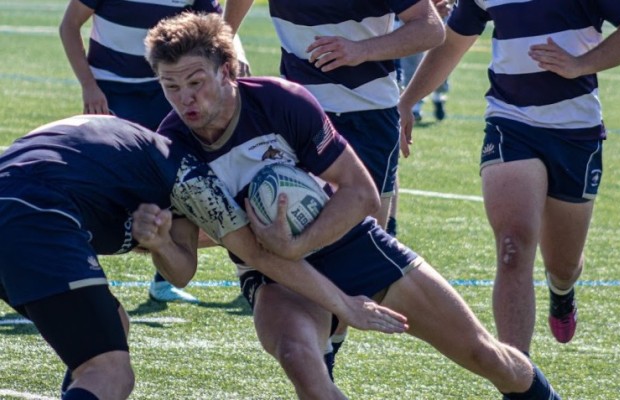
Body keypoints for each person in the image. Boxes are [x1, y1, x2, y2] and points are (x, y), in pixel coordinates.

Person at [140, 12, 563, 399]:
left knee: (485, 355)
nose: (184, 99)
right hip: (274, 274)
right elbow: (184, 268)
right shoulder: (173, 149)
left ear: (227, 71)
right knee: (304, 366)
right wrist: (160, 243)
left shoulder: (280, 102)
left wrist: (296, 242)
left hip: (350, 243)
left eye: (195, 82)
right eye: (170, 86)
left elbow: (361, 193)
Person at [0, 114, 403, 400]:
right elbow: (257, 254)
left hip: (17, 202)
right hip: (34, 215)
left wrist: (159, 244)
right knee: (109, 372)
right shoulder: (187, 172)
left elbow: (180, 271)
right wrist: (345, 306)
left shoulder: (127, 152)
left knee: (113, 324)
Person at [398, 0, 620, 354]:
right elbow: (454, 41)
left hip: (575, 132)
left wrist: (581, 64)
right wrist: (407, 101)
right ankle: (518, 380)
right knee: (512, 247)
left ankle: (562, 291)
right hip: (510, 122)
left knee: (563, 266)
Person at [223, 0, 446, 372]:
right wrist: (226, 44)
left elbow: (430, 27)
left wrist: (361, 50)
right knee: (313, 249)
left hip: (368, 117)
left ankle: (326, 361)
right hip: (300, 116)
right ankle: (321, 370)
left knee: (353, 251)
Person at [59, 0, 225, 303]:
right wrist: (88, 86)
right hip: (112, 93)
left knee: (175, 184)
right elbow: (69, 26)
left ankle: (163, 280)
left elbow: (213, 32)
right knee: (102, 189)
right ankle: (73, 274)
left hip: (168, 93)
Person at [396, 0, 452, 122]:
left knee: (442, 56)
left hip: (439, 7)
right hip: (412, 9)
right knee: (411, 58)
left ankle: (439, 96)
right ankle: (414, 106)